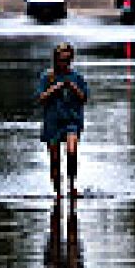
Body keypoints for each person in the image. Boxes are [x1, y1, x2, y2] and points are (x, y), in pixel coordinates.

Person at [34, 42, 89, 198]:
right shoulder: (47, 77)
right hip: (53, 122)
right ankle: (58, 192)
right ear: (56, 60)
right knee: (55, 159)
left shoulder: (77, 77)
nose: (64, 63)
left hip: (72, 120)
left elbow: (84, 98)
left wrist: (72, 87)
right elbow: (41, 98)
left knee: (72, 151)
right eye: (61, 60)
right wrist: (55, 88)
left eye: (67, 60)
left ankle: (72, 186)